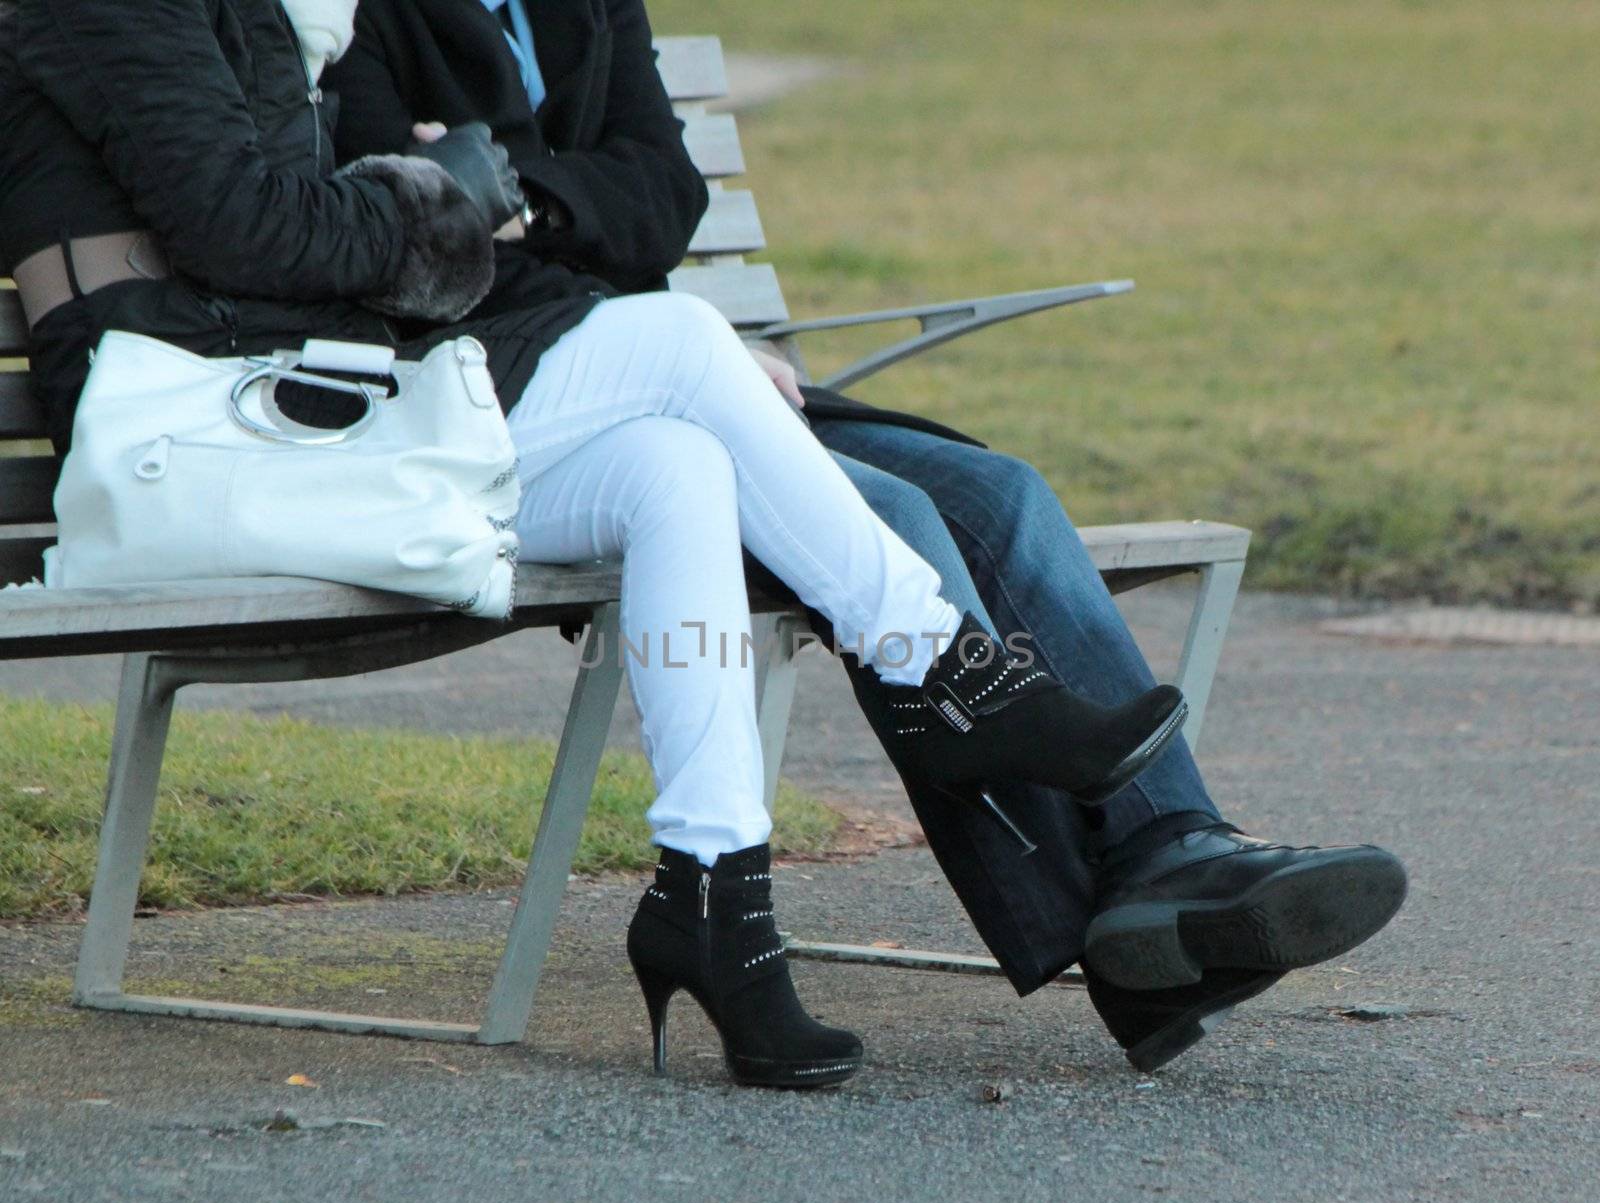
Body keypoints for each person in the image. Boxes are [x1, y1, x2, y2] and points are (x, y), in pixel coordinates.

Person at [0, 0, 1196, 1089]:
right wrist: (440, 199)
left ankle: (716, 899)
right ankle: (942, 667)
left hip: (291, 404)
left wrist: (437, 188)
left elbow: (293, 238)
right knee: (677, 345)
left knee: (675, 465)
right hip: (197, 442)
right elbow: (249, 231)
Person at [324, 0, 1412, 1074]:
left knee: (1001, 492)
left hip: (692, 368)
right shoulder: (368, 14)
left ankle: (1173, 843)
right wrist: (590, 252)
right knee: (900, 517)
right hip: (551, 402)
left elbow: (665, 194)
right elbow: (414, 242)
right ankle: (1122, 940)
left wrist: (513, 191)